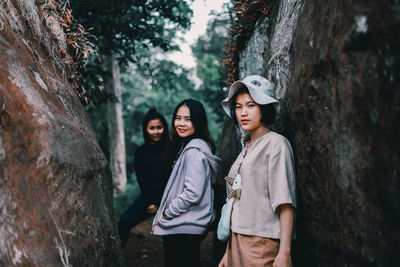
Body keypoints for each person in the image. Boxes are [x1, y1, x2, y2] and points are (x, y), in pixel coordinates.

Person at [218, 75, 296, 267]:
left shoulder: (276, 144)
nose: (243, 112)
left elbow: (284, 202)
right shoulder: (245, 147)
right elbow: (235, 199)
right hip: (236, 238)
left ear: (264, 108)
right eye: (238, 107)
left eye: (251, 105)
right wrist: (227, 252)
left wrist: (284, 252)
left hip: (261, 243)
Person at [152, 99, 220, 267]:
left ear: (198, 122)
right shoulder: (188, 146)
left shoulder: (194, 152)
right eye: (178, 118)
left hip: (184, 226)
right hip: (187, 226)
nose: (181, 123)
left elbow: (192, 193)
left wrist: (167, 213)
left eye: (188, 119)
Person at [118, 108, 171, 249]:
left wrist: (162, 202)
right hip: (149, 196)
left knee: (171, 238)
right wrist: (150, 202)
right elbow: (142, 180)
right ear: (146, 130)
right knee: (124, 222)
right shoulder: (141, 152)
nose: (156, 131)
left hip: (170, 198)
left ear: (164, 128)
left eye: (159, 127)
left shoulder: (172, 149)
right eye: (152, 128)